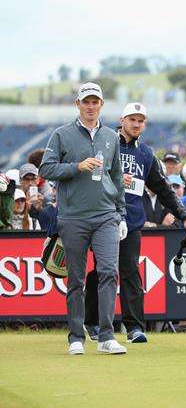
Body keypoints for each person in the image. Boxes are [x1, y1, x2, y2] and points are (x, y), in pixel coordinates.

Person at [84, 103, 186, 344]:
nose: (136, 124)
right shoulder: (104, 142)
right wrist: (110, 177)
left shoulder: (146, 154)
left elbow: (164, 190)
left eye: (141, 121)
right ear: (122, 120)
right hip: (103, 217)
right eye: (132, 119)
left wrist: (184, 215)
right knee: (101, 271)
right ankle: (92, 321)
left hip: (132, 221)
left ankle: (134, 327)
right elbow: (90, 176)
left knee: (130, 271)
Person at [39, 82, 128, 355]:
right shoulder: (61, 134)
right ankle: (76, 337)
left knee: (108, 274)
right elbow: (47, 168)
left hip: (105, 216)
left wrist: (121, 213)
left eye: (95, 102)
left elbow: (116, 177)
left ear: (102, 105)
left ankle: (106, 336)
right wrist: (77, 166)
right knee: (76, 279)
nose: (91, 106)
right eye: (86, 102)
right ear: (78, 104)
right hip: (73, 217)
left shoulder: (112, 136)